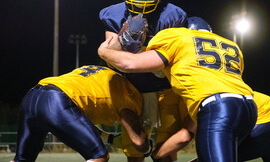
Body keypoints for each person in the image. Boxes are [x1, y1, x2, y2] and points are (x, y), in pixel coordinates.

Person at [98, 17, 258, 162]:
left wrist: (104, 52)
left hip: (217, 106)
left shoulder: (180, 38)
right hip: (249, 108)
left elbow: (130, 63)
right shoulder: (230, 45)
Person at [99, 0, 187, 162]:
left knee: (166, 147)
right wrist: (125, 37)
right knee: (134, 150)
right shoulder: (115, 14)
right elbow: (110, 57)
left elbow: (173, 56)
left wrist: (142, 53)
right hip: (133, 87)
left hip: (165, 87)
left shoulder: (173, 15)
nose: (140, 1)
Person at [11, 65, 152, 162]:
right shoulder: (130, 93)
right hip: (58, 101)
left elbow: (81, 123)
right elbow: (138, 142)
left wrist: (110, 139)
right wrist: (149, 148)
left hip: (32, 96)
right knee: (99, 156)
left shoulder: (105, 72)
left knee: (22, 159)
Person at [150, 91, 270, 162]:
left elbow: (184, 136)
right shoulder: (227, 87)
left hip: (267, 123)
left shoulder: (205, 95)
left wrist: (156, 154)